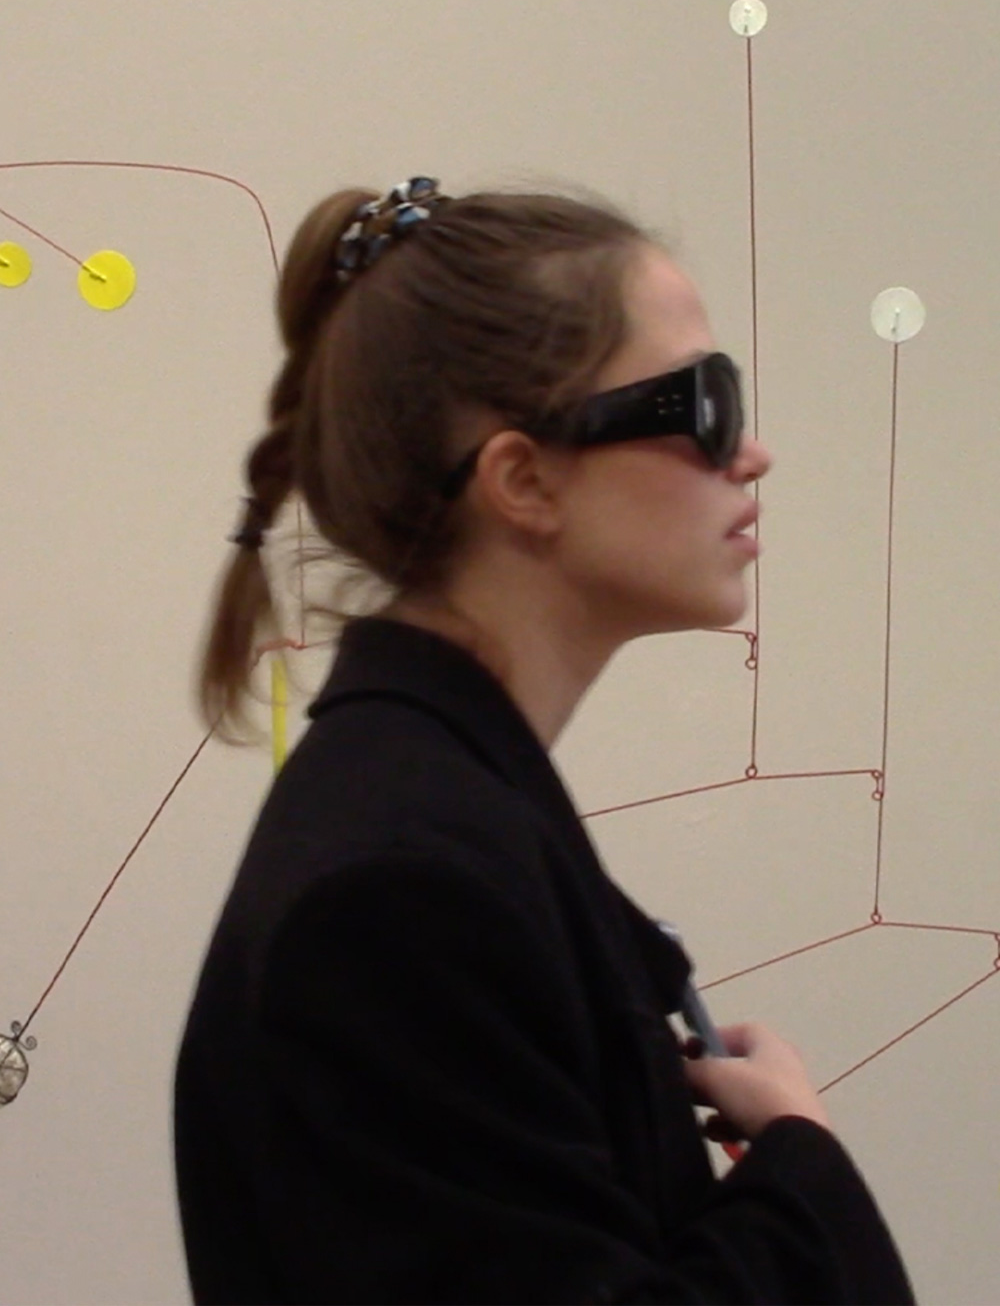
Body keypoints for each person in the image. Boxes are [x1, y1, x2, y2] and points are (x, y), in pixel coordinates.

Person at [173, 176, 915, 1305]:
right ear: (522, 480)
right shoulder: (401, 898)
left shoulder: (445, 816)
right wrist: (799, 1163)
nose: (751, 453)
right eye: (703, 402)